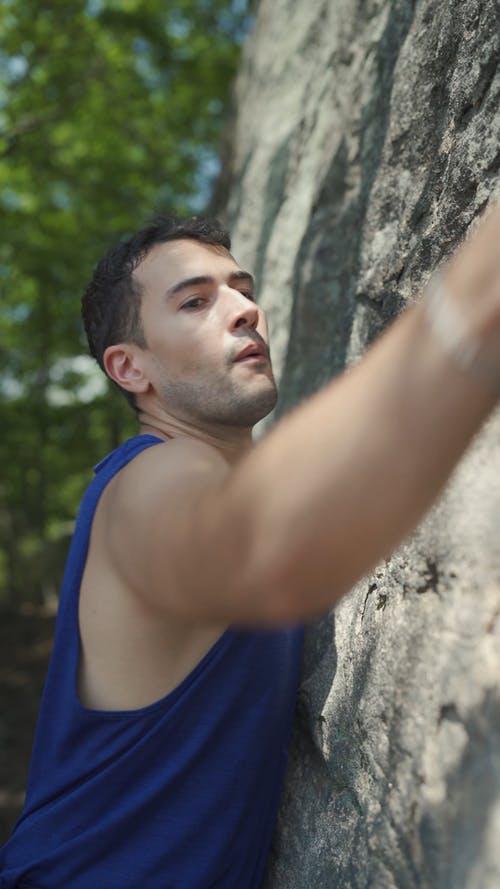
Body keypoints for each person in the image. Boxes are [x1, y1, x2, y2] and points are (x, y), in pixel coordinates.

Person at [1, 205, 500, 888]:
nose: (242, 310)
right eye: (196, 301)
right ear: (130, 367)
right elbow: (261, 549)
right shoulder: (146, 481)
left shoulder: (201, 477)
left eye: (242, 287)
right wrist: (478, 293)